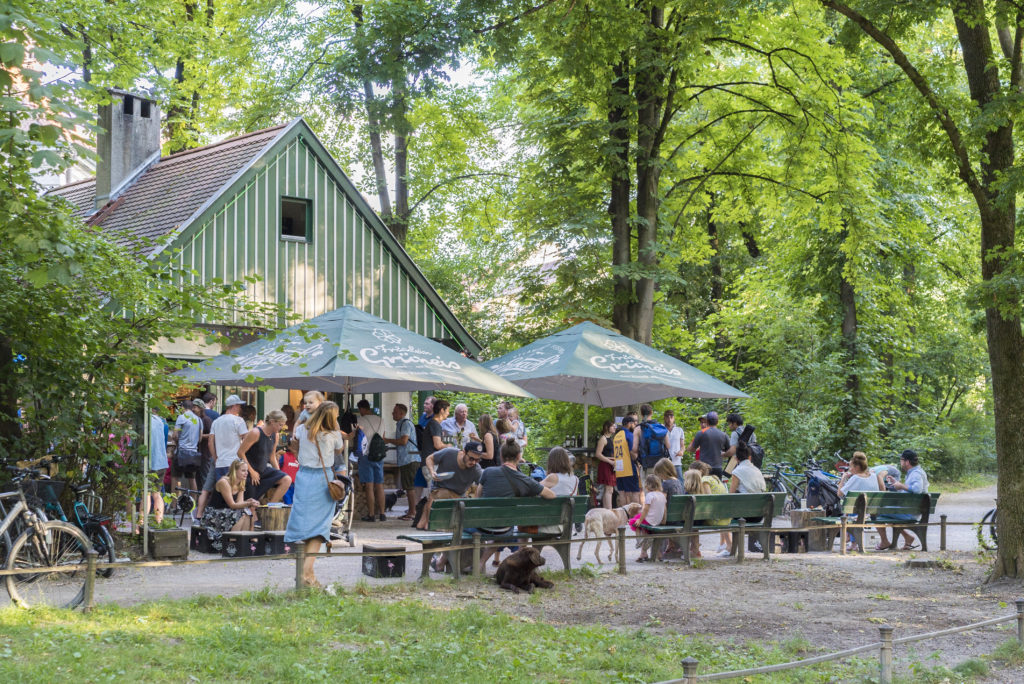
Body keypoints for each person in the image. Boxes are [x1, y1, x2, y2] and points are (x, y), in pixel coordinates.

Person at [285, 400, 346, 590]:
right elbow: (340, 449)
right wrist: (334, 424)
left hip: (303, 477)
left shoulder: (303, 430)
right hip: (322, 478)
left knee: (304, 523)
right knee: (320, 527)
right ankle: (306, 572)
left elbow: (293, 439)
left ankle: (307, 573)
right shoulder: (332, 433)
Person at [195, 395, 251, 520]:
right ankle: (231, 520)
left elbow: (210, 442)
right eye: (239, 406)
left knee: (215, 491)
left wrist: (216, 458)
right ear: (235, 406)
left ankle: (200, 515)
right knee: (232, 492)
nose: (240, 408)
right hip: (234, 462)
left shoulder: (217, 421)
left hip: (220, 461)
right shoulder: (238, 421)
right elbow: (246, 438)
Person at [415, 441, 484, 531]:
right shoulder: (449, 453)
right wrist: (432, 471)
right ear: (463, 452)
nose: (474, 462)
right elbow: (429, 458)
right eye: (471, 458)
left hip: (457, 497)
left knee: (437, 498)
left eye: (477, 460)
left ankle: (431, 523)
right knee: (422, 523)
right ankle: (429, 522)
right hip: (438, 490)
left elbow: (483, 485)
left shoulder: (476, 469)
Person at [876, 450, 929, 551]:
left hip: (910, 512)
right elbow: (909, 490)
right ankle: (907, 537)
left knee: (876, 512)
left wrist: (901, 486)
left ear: (907, 462)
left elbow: (917, 490)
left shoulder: (916, 473)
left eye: (901, 460)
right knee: (886, 512)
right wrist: (897, 483)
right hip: (911, 510)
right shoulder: (914, 472)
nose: (900, 463)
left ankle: (884, 541)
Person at [199, 459, 260, 543]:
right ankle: (232, 540)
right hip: (214, 514)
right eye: (243, 470)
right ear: (234, 471)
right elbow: (232, 505)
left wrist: (249, 502)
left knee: (247, 512)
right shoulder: (224, 482)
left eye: (246, 470)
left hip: (228, 513)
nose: (246, 473)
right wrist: (248, 503)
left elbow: (239, 504)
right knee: (242, 514)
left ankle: (243, 541)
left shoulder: (241, 482)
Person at [242, 409, 292, 503]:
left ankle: (271, 506)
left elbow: (272, 456)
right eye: (280, 425)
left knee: (286, 479)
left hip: (263, 470)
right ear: (272, 422)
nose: (281, 428)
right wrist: (252, 471)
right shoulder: (255, 433)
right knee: (251, 502)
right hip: (249, 471)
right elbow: (240, 453)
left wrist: (278, 472)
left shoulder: (275, 435)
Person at [382, 403, 419, 521]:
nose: (392, 413)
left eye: (395, 411)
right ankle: (411, 510)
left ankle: (413, 512)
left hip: (410, 459)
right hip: (406, 460)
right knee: (408, 486)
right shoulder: (400, 424)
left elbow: (403, 441)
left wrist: (387, 440)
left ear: (402, 413)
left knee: (410, 486)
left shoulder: (406, 423)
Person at [837, 451, 880, 552]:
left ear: (856, 467)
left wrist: (843, 478)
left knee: (849, 511)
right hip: (872, 511)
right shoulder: (873, 476)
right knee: (852, 509)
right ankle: (850, 538)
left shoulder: (855, 478)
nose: (849, 469)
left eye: (850, 467)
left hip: (858, 513)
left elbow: (839, 493)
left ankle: (853, 543)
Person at [352, 399, 386, 522]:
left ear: (362, 409)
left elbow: (354, 435)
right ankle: (382, 514)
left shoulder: (360, 420)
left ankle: (371, 514)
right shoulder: (380, 420)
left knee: (369, 486)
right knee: (380, 485)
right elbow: (383, 437)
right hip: (379, 455)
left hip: (366, 455)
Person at [689, 460, 731, 556]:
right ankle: (726, 545)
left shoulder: (704, 481)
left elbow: (709, 498)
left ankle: (693, 550)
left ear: (699, 471)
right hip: (725, 516)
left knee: (692, 519)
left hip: (716, 518)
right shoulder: (714, 478)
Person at [538, 447, 579, 535]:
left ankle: (523, 548)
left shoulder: (553, 477)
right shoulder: (575, 479)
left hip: (549, 525)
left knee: (522, 526)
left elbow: (533, 488)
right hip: (567, 525)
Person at [170, 398, 202, 495]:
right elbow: (200, 438)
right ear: (192, 408)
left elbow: (175, 435)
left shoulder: (181, 417)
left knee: (175, 478)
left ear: (182, 407)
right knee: (192, 479)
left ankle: (174, 504)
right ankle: (193, 503)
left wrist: (178, 441)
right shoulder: (199, 420)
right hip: (193, 454)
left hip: (181, 452)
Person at [653, 458, 684, 558]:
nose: (658, 476)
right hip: (678, 517)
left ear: (664, 472)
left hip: (669, 519)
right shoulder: (679, 482)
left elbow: (662, 501)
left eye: (658, 473)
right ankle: (671, 545)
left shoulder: (666, 484)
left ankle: (656, 553)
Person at [632, 475, 666, 562]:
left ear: (647, 485)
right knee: (646, 529)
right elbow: (665, 508)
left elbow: (646, 509)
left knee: (634, 521)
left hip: (649, 520)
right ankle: (655, 553)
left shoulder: (649, 495)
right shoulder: (662, 495)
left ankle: (639, 540)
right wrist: (663, 520)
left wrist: (640, 520)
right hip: (658, 520)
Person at [686, 411, 729, 478]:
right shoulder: (723, 435)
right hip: (718, 468)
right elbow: (729, 452)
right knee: (716, 488)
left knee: (704, 487)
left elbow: (691, 449)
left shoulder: (701, 433)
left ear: (707, 421)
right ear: (717, 422)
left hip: (704, 468)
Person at [145, 407, 169, 528]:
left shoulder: (145, 422)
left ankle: (141, 523)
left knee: (147, 493)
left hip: (149, 461)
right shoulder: (161, 421)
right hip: (161, 461)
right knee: (157, 493)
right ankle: (159, 520)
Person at [614, 414, 642, 506]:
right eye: (634, 424)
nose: (634, 426)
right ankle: (635, 516)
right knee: (635, 492)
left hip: (618, 468)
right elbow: (632, 452)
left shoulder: (616, 436)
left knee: (622, 493)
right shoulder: (629, 435)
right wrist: (638, 461)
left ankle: (624, 516)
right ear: (629, 424)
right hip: (628, 467)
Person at [594, 420, 617, 509]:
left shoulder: (610, 438)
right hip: (606, 465)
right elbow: (598, 454)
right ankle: (609, 511)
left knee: (608, 490)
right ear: (607, 428)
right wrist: (610, 461)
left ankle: (606, 510)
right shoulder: (603, 439)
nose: (614, 427)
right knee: (609, 489)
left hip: (611, 465)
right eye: (612, 426)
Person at [664, 410, 686, 480]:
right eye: (667, 417)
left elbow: (682, 446)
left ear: (674, 418)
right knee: (665, 483)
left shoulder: (679, 430)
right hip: (664, 462)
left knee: (680, 482)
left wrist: (681, 451)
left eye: (671, 417)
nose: (669, 419)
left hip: (677, 462)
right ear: (664, 418)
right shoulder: (661, 429)